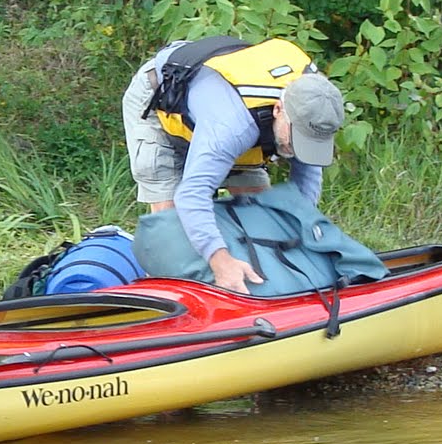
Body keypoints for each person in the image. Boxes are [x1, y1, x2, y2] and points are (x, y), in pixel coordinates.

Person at [122, 36, 346, 294]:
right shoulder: (232, 126)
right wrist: (221, 261)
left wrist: (303, 232)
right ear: (278, 110)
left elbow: (306, 183)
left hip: (228, 118)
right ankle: (167, 296)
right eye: (296, 139)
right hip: (160, 101)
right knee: (171, 226)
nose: (297, 150)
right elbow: (192, 194)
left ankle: (263, 288)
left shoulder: (316, 109)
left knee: (260, 211)